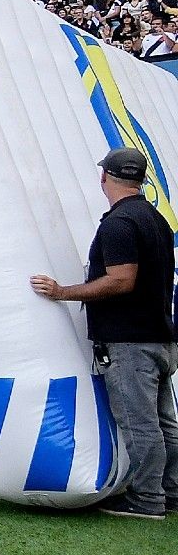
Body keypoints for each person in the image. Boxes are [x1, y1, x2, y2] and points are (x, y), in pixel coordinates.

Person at [30, 147, 177, 519]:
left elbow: (121, 280)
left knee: (141, 423)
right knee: (164, 422)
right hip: (160, 337)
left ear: (104, 177)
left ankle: (147, 499)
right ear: (141, 180)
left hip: (130, 342)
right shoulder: (156, 220)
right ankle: (172, 491)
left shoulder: (118, 223)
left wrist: (62, 292)